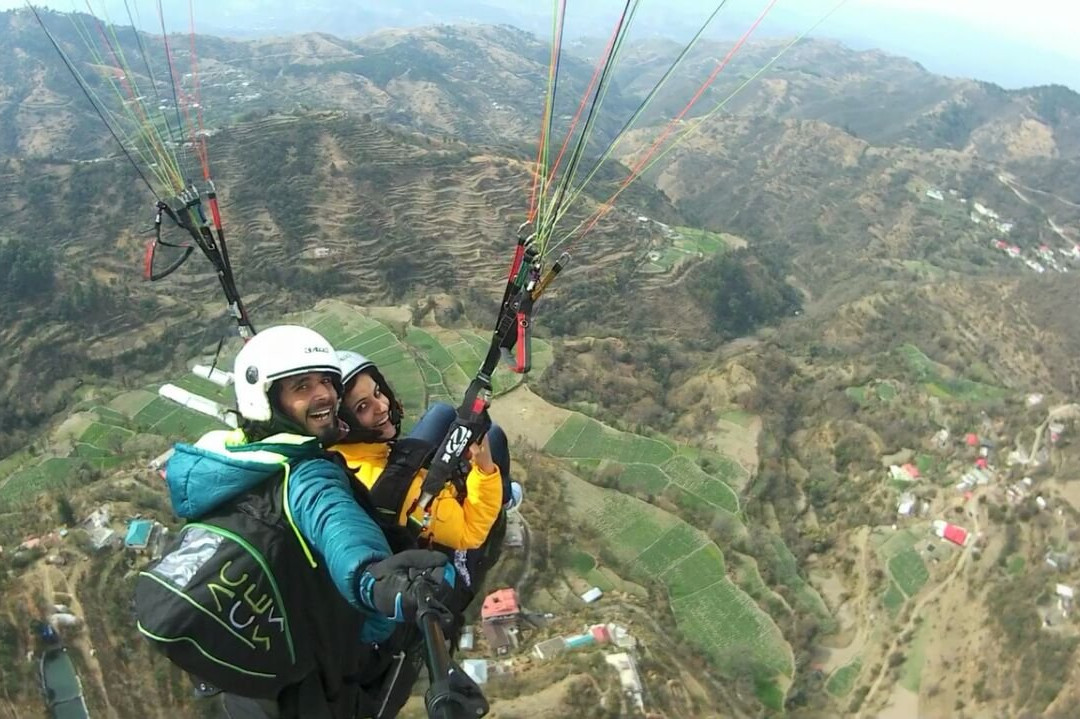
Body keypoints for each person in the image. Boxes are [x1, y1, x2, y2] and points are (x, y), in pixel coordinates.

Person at [142, 326, 457, 719]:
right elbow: (335, 524)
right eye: (303, 386)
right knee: (449, 577)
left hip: (260, 677)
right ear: (267, 400)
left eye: (327, 381)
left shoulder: (226, 460)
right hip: (339, 660)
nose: (324, 394)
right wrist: (374, 579)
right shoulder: (308, 476)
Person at [331, 351, 518, 632]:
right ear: (343, 424)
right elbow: (471, 531)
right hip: (446, 559)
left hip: (390, 475)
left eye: (378, 392)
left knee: (443, 413)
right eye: (362, 407)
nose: (382, 406)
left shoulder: (337, 451)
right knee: (494, 438)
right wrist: (484, 466)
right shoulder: (400, 490)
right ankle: (503, 497)